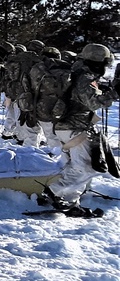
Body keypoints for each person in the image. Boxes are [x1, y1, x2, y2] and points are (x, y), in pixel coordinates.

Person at [40, 43, 115, 216]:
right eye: (104, 63)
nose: (105, 67)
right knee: (86, 166)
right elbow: (94, 102)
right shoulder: (84, 77)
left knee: (74, 164)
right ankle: (54, 191)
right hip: (75, 128)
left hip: (67, 127)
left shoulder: (77, 73)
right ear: (96, 61)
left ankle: (69, 200)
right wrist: (113, 94)